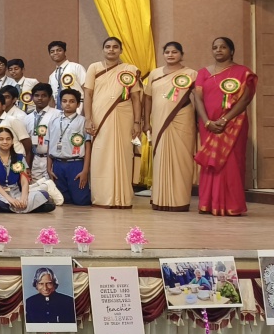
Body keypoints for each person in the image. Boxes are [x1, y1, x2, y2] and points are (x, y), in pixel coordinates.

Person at [193, 36, 257, 217]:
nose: (218, 50)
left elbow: (245, 99)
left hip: (234, 124)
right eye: (215, 47)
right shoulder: (203, 73)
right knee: (210, 163)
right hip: (208, 125)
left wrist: (225, 119)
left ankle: (232, 205)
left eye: (223, 47)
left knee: (232, 163)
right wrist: (207, 122)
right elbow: (198, 99)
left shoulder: (243, 72)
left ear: (232, 51)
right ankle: (208, 203)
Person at [82, 36, 142, 208]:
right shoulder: (94, 67)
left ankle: (123, 198)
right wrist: (88, 119)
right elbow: (88, 94)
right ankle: (102, 197)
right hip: (99, 117)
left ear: (121, 50)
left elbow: (136, 98)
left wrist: (137, 122)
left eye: (115, 47)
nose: (111, 50)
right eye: (108, 46)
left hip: (124, 116)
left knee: (123, 154)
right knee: (101, 154)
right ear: (103, 49)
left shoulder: (130, 69)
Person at [143, 42, 197, 212]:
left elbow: (199, 98)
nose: (171, 55)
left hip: (183, 121)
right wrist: (146, 121)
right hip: (159, 121)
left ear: (181, 54)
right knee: (160, 158)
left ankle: (180, 200)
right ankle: (160, 198)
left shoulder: (191, 74)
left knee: (182, 158)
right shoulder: (155, 73)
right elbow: (147, 98)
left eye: (175, 52)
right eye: (167, 52)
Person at [0, 127, 52, 213]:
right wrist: (10, 200)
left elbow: (24, 181)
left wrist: (24, 198)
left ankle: (9, 208)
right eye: (1, 139)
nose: (5, 142)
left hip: (16, 193)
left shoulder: (19, 157)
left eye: (8, 139)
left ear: (12, 141)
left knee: (44, 194)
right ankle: (33, 208)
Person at [47, 90, 91, 206]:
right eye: (64, 101)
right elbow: (49, 145)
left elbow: (87, 146)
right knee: (61, 200)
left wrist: (85, 170)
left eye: (72, 101)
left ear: (78, 104)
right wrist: (49, 168)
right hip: (57, 164)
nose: (68, 104)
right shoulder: (54, 122)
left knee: (81, 200)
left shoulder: (83, 121)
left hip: (75, 164)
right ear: (60, 103)